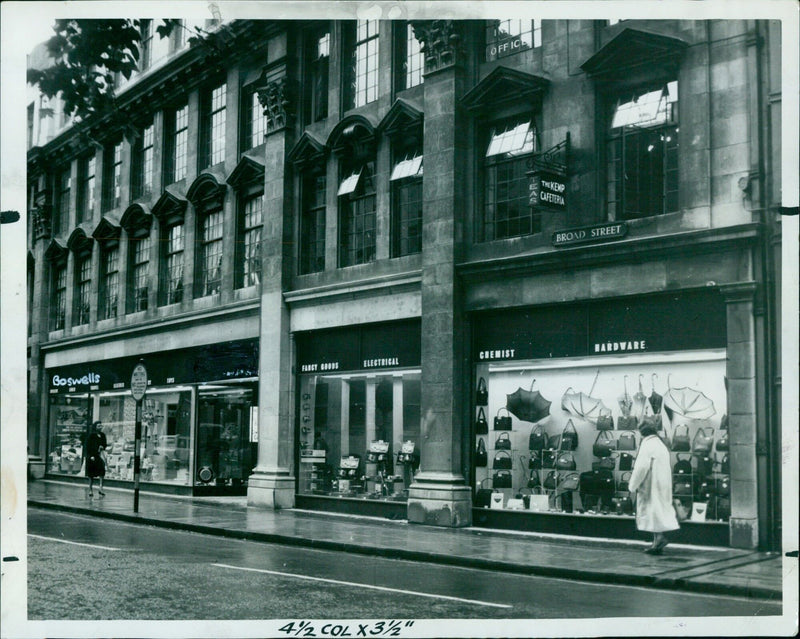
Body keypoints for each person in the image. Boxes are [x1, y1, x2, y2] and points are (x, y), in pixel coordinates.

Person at [628, 417, 679, 554]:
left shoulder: (647, 445)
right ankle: (657, 541)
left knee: (653, 511)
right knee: (657, 512)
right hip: (662, 484)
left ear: (642, 432)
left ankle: (658, 540)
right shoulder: (660, 444)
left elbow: (641, 467)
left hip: (651, 485)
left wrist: (632, 486)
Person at [85, 421, 107, 497]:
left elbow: (104, 444)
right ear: (95, 427)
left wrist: (102, 447)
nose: (100, 427)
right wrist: (90, 456)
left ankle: (101, 487)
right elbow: (88, 446)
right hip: (91, 456)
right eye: (99, 426)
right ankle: (90, 489)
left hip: (98, 456)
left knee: (102, 471)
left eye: (101, 426)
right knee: (91, 474)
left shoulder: (103, 435)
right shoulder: (91, 435)